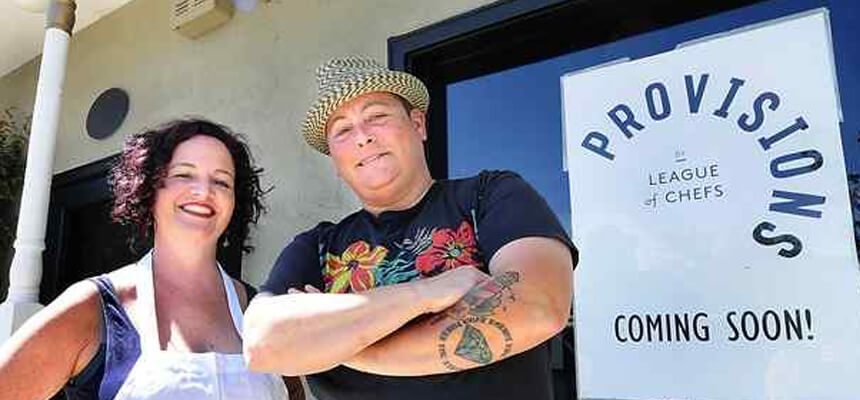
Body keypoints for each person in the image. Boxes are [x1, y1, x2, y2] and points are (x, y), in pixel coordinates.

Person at [243, 56, 577, 400]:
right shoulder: (317, 247)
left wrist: (333, 343)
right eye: (342, 130)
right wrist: (428, 293)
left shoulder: (490, 196)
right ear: (335, 161)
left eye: (376, 116)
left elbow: (538, 307)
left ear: (418, 124)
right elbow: (261, 344)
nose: (362, 138)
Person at [0, 119, 297, 399]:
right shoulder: (95, 307)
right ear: (149, 191)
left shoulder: (262, 311)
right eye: (183, 174)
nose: (204, 192)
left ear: (235, 202)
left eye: (221, 182)